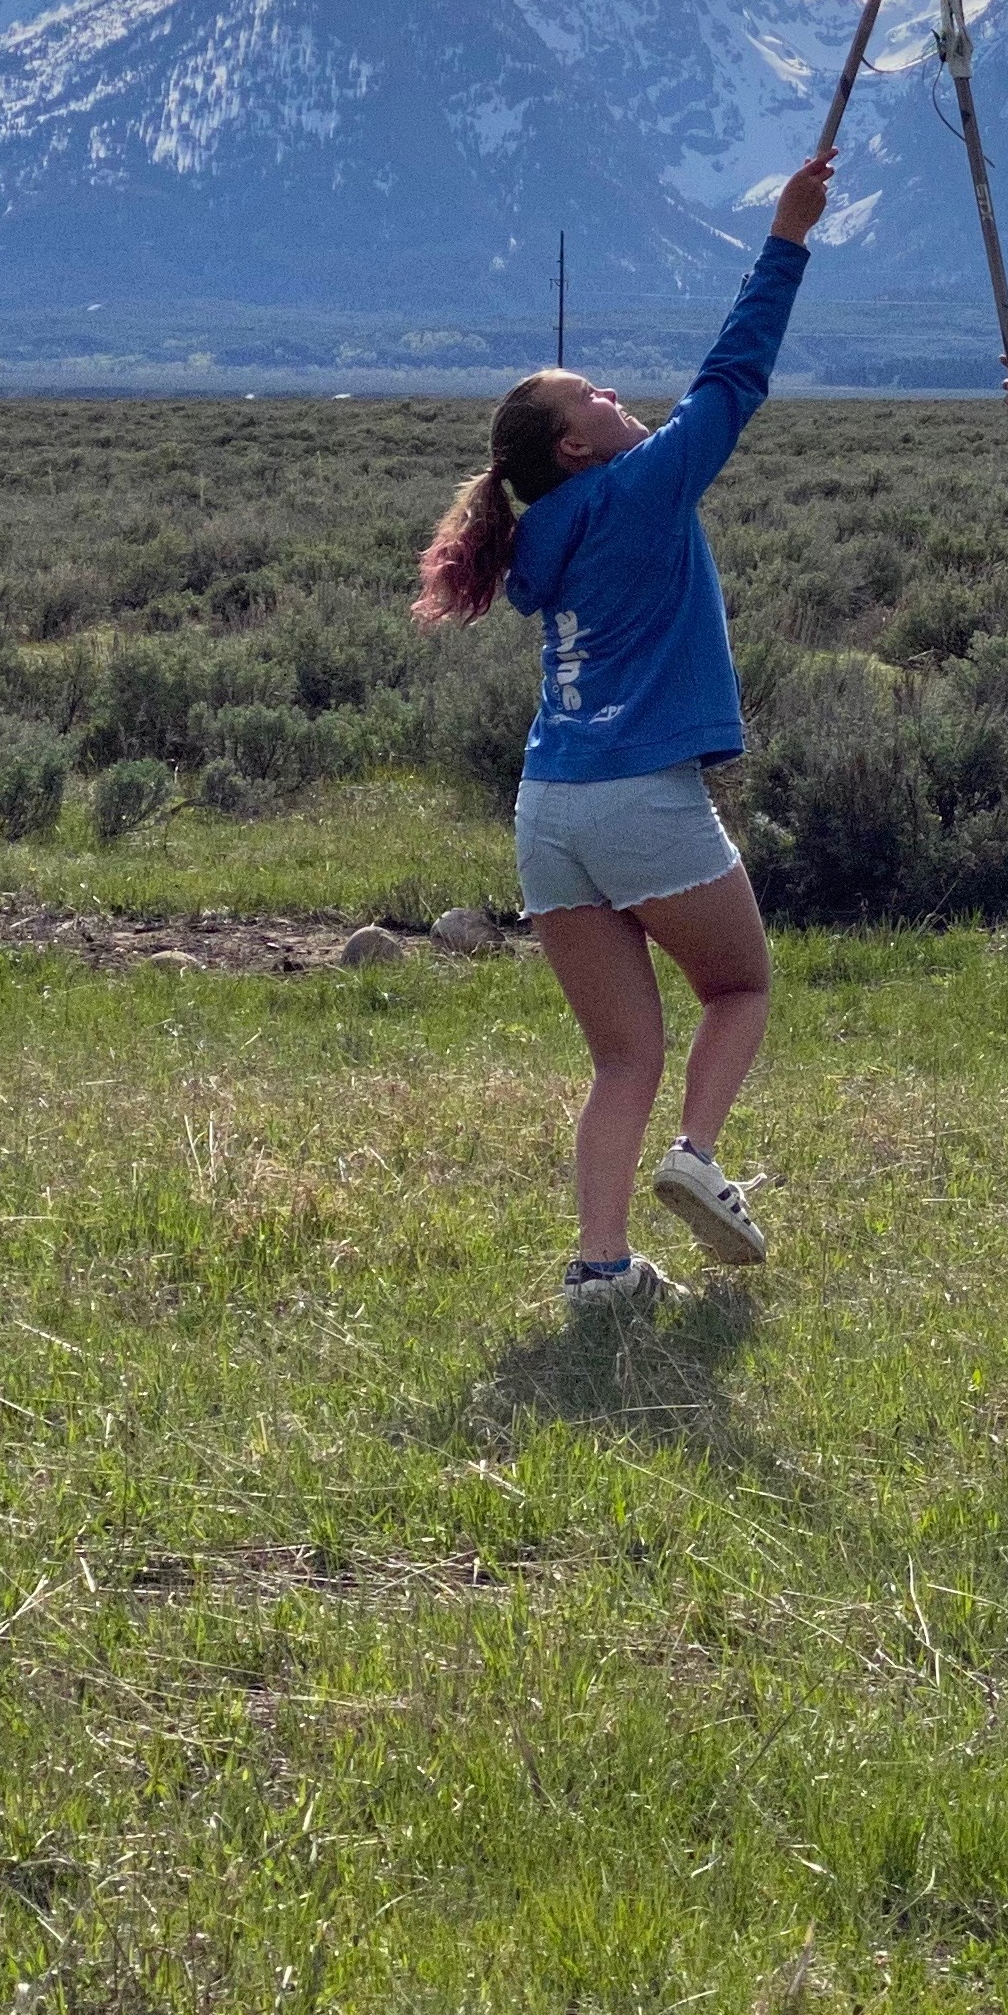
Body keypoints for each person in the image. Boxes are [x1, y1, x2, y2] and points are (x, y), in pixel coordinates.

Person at [413, 158, 832, 1317]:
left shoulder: (541, 537)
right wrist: (787, 238)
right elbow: (734, 376)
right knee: (739, 985)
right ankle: (697, 1156)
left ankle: (600, 1271)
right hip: (641, 794)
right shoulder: (640, 487)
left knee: (620, 1056)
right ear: (576, 448)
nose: (609, 393)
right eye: (588, 394)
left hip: (547, 810)